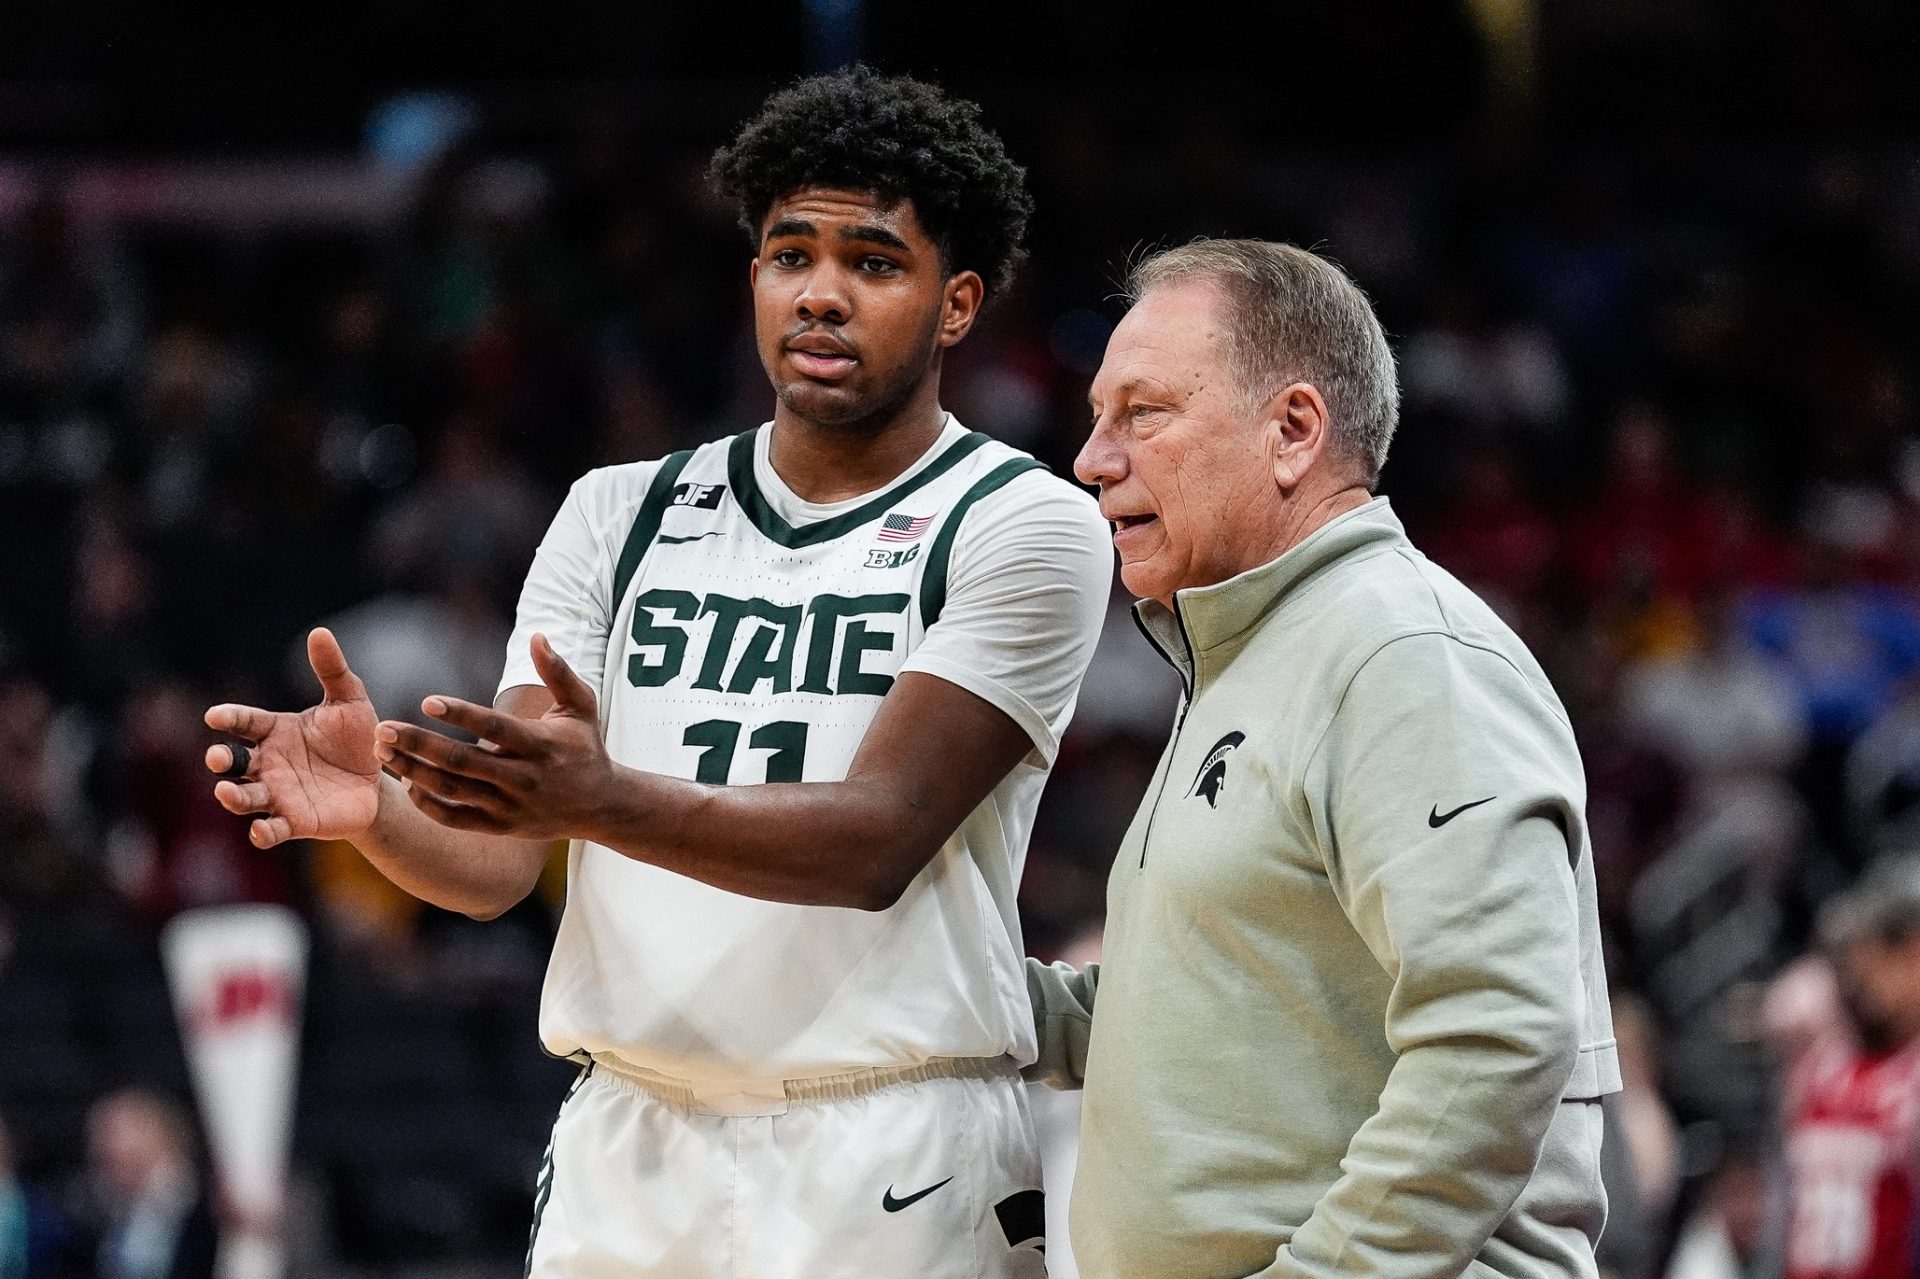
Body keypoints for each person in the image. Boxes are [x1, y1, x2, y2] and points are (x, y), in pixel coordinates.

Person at [203, 69, 1109, 1278]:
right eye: (792, 256)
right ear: (753, 282)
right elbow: (495, 861)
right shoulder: (616, 511)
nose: (823, 294)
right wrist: (383, 811)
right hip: (628, 1134)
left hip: (897, 1140)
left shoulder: (1026, 523)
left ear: (956, 306)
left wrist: (601, 800)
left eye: (874, 263)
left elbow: (878, 839)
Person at [1025, 239, 1620, 1277]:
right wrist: (948, 997)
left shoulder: (1400, 652)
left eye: (1142, 412)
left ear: (1293, 430)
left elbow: (1496, 1035)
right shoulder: (1257, 653)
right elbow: (1215, 1006)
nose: (1093, 456)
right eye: (1094, 415)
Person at [1780, 858, 1920, 1279]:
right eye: (1851, 961)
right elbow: (1786, 1205)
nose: (1860, 977)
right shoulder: (1817, 1071)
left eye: (1878, 956)